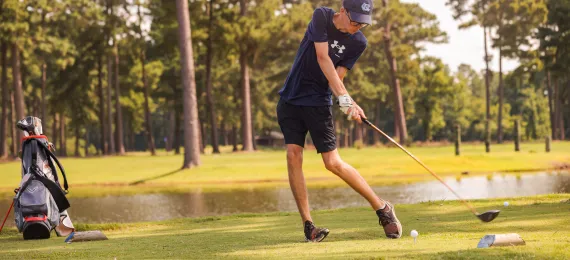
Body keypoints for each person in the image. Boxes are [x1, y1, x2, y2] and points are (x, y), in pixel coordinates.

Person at [276, 0, 402, 242]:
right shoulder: (321, 17)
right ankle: (308, 225)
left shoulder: (359, 42)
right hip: (290, 100)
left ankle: (382, 207)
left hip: (317, 103)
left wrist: (349, 103)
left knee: (332, 163)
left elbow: (338, 76)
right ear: (343, 11)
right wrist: (346, 100)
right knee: (293, 155)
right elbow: (323, 58)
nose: (357, 27)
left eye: (362, 24)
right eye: (354, 21)